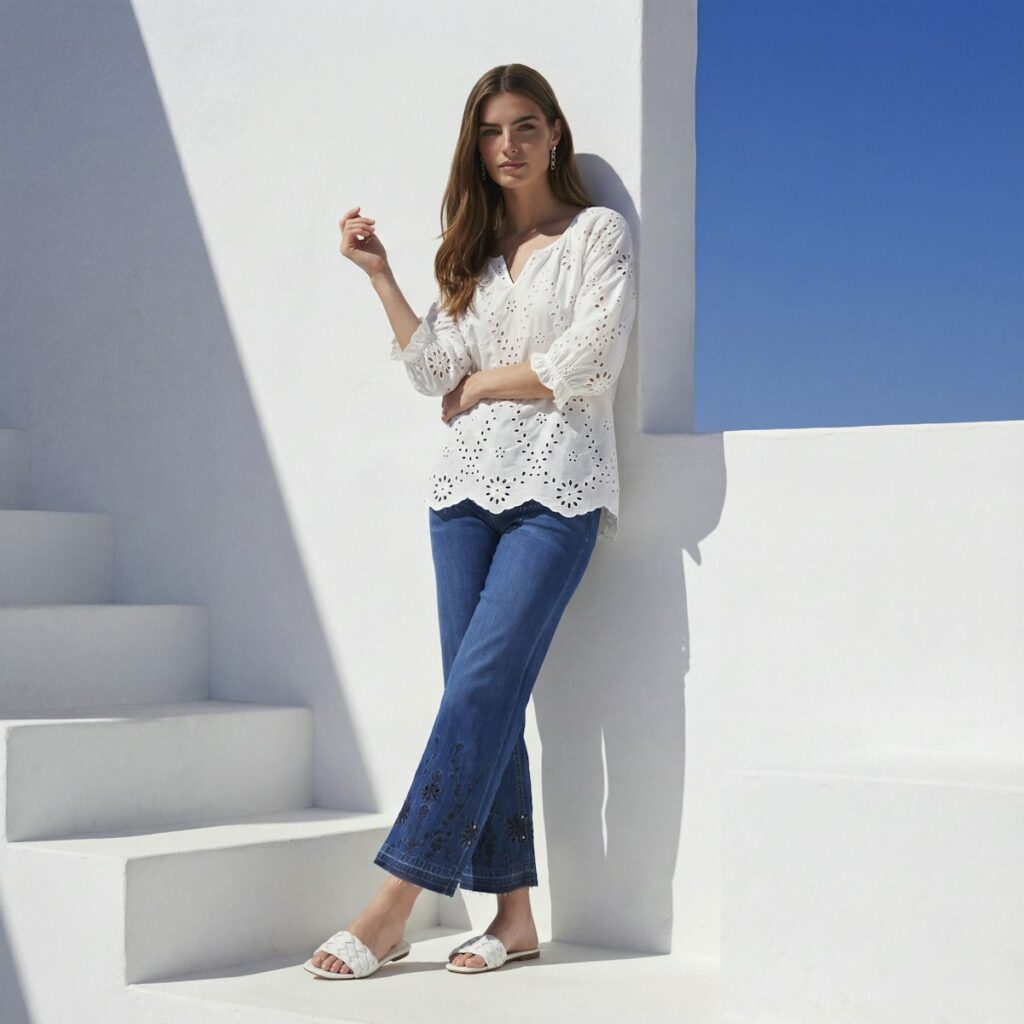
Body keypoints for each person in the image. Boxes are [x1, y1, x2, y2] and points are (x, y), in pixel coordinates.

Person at [305, 62, 637, 980]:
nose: (508, 146)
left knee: (479, 689)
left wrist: (486, 384)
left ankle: (393, 903)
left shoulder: (597, 235)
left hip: (558, 491)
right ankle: (514, 915)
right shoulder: (477, 252)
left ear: (555, 132)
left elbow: (590, 361)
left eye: (525, 126)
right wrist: (382, 277)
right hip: (460, 499)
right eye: (492, 132)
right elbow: (431, 373)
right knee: (482, 702)